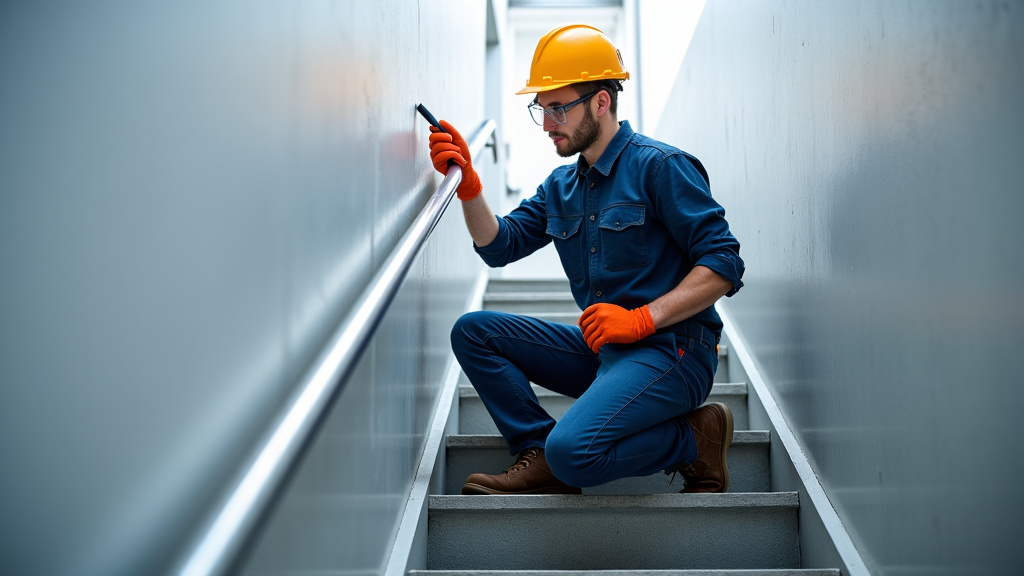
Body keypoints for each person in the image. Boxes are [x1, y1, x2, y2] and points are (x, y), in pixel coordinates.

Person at [426, 24, 744, 495]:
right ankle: (536, 449)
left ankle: (693, 439)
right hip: (604, 353)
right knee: (474, 331)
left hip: (673, 351)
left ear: (601, 101)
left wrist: (641, 320)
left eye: (558, 108)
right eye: (542, 109)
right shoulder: (560, 186)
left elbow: (723, 262)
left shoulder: (660, 166)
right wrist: (469, 186)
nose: (548, 122)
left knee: (574, 451)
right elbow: (499, 247)